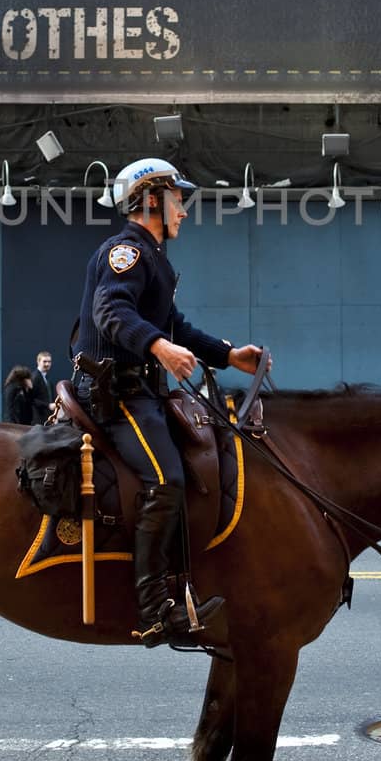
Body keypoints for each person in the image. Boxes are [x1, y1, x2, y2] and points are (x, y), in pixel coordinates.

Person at [73, 157, 265, 649]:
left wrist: (228, 355)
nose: (184, 210)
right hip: (118, 396)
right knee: (166, 478)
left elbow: (175, 324)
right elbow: (110, 311)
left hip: (144, 390)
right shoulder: (128, 253)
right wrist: (157, 347)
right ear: (152, 199)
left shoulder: (155, 258)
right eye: (178, 198)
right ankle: (155, 604)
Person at [31, 351, 54, 421]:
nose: (47, 364)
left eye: (49, 362)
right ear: (38, 362)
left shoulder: (47, 378)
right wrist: (48, 406)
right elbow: (31, 399)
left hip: (47, 417)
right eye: (44, 361)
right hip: (38, 418)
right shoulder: (34, 377)